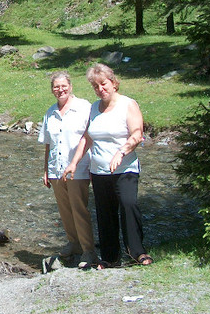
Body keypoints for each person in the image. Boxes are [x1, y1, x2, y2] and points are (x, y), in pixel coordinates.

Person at [63, 63, 152, 267]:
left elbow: (137, 133)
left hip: (125, 169)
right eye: (95, 86)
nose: (100, 89)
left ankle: (137, 252)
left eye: (103, 84)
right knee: (105, 213)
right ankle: (111, 257)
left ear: (113, 82)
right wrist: (74, 163)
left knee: (129, 206)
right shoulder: (95, 107)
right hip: (100, 171)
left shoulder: (128, 104)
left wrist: (121, 152)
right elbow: (87, 138)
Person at [38, 71, 98, 268]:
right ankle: (74, 243)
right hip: (56, 169)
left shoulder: (84, 107)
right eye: (56, 87)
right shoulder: (50, 112)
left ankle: (89, 251)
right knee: (64, 210)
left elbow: (90, 137)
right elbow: (49, 144)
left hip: (78, 168)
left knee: (79, 209)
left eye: (63, 86)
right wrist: (46, 169)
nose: (60, 90)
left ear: (70, 86)